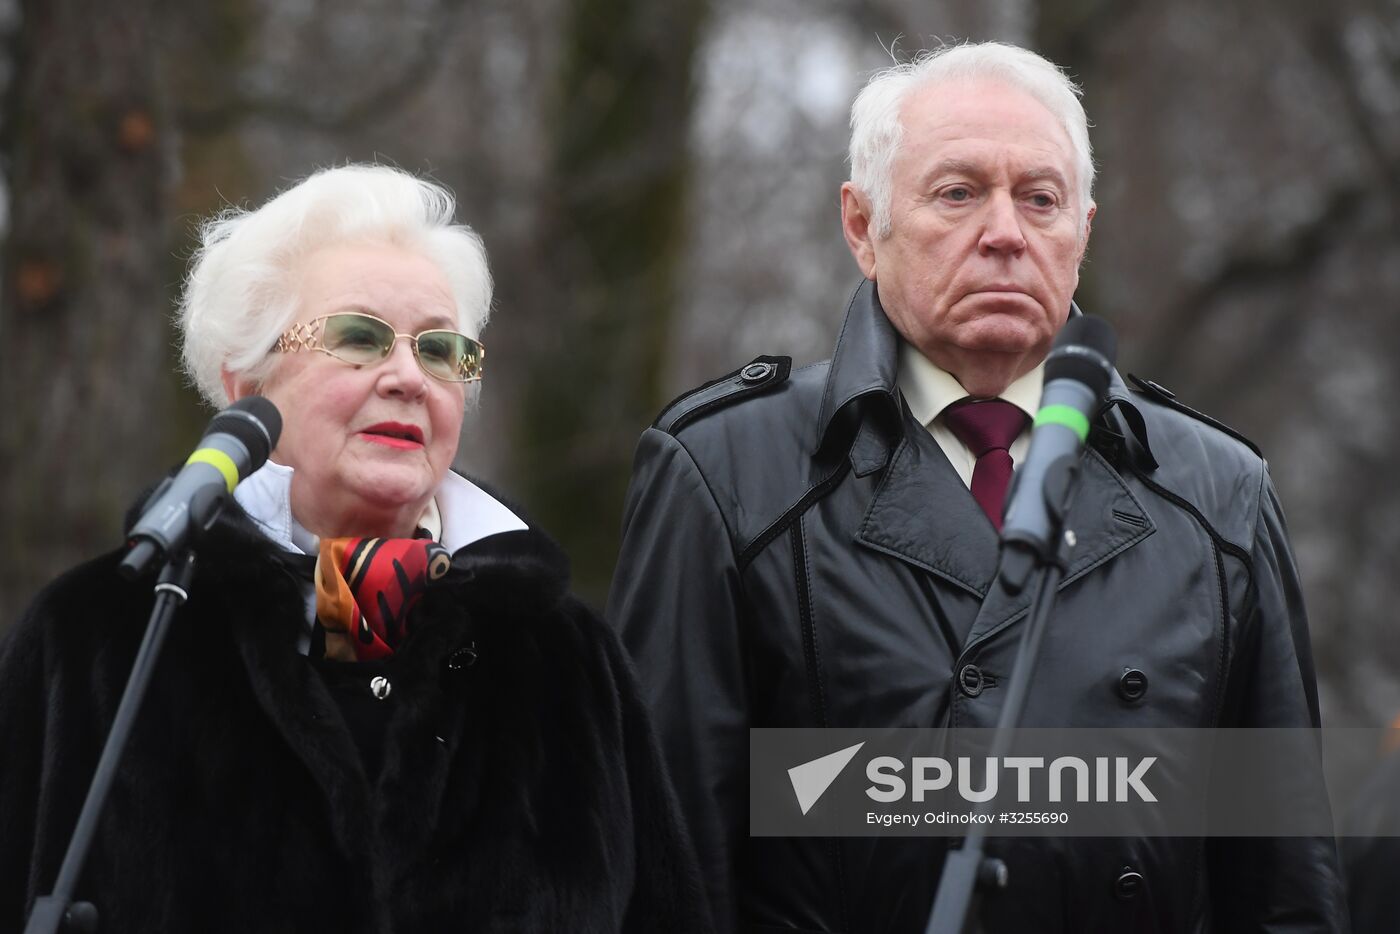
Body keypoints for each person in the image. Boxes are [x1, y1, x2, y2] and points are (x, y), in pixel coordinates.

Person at [608, 42, 1349, 932]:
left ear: (1084, 229)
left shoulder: (1218, 495)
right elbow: (664, 875)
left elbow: (1285, 896)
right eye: (958, 194)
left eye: (1040, 199)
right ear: (861, 226)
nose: (1005, 232)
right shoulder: (727, 478)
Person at [0, 164, 710, 933]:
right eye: (359, 338)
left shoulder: (566, 661)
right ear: (248, 387)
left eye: (441, 350)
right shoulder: (99, 637)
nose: (409, 376)